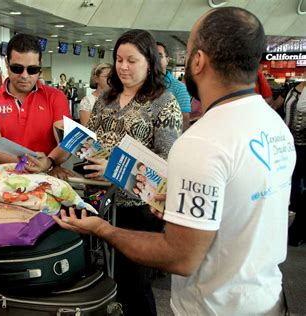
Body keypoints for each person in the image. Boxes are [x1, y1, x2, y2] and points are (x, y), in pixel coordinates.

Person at [54, 7, 295, 315]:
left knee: (134, 286)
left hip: (214, 306)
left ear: (198, 60)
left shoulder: (203, 142)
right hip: (266, 296)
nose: (124, 67)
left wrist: (102, 229)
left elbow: (181, 256)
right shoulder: (275, 126)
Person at [81, 29, 183, 315]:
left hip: (138, 207)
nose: (123, 66)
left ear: (150, 62)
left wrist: (113, 169)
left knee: (133, 284)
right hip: (99, 200)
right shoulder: (106, 99)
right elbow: (95, 143)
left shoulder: (164, 102)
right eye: (118, 59)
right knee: (100, 281)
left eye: (132, 60)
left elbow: (167, 164)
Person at [0, 33, 72, 179]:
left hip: (48, 183)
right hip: (6, 185)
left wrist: (49, 162)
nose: (25, 75)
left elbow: (66, 142)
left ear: (40, 65)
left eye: (32, 69)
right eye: (17, 68)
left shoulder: (56, 97)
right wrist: (34, 164)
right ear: (7, 63)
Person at [283, 80, 306, 246]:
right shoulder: (295, 87)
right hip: (291, 144)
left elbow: (302, 108)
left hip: (304, 145)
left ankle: (297, 230)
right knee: (294, 182)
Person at [157, 42, 192, 131]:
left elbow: (184, 123)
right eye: (152, 56)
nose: (155, 59)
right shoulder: (141, 86)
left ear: (167, 60)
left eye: (160, 56)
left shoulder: (179, 88)